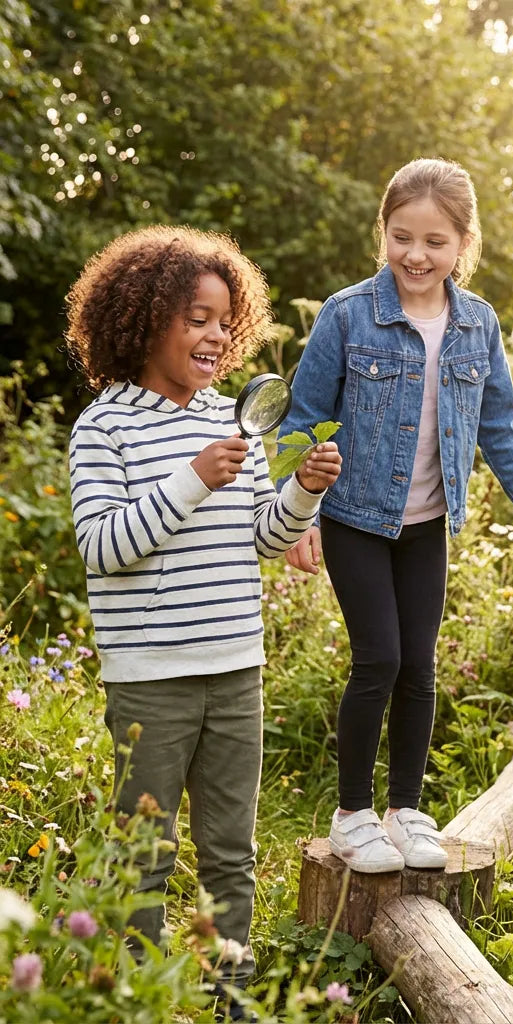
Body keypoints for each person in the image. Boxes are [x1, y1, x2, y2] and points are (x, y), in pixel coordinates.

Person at [66, 225, 342, 1016]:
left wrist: (305, 493)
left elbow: (263, 536)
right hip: (149, 683)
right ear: (144, 321)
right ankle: (142, 1004)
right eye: (196, 317)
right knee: (141, 859)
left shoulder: (232, 420)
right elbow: (104, 548)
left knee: (231, 855)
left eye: (225, 319)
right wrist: (190, 481)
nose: (217, 334)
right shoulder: (105, 427)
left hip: (235, 670)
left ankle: (231, 1002)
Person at [279, 157, 513, 874]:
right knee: (377, 657)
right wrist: (299, 512)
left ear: (463, 245)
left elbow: (498, 426)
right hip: (352, 516)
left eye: (435, 241)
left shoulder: (478, 326)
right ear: (383, 232)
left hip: (427, 523)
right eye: (402, 236)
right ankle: (352, 815)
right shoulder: (349, 315)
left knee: (420, 666)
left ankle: (406, 809)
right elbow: (303, 419)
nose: (416, 255)